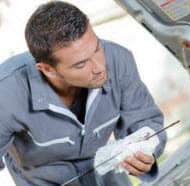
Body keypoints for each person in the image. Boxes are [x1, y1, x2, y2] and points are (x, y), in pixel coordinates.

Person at [0, 2, 167, 185]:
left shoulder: (119, 60)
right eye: (81, 64)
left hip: (107, 175)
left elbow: (146, 121)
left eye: (97, 48)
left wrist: (147, 149)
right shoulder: (6, 93)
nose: (100, 67)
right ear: (48, 69)